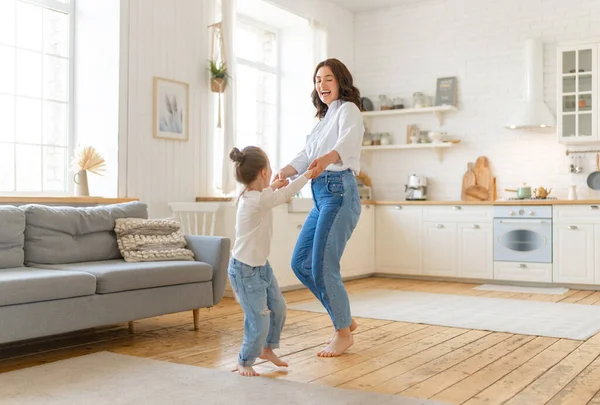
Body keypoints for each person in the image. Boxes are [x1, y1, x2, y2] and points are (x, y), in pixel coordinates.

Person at [275, 58, 363, 357]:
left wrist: (327, 159)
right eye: (317, 80)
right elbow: (306, 154)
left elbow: (348, 143)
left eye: (327, 79)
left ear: (340, 81)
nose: (321, 85)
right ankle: (345, 318)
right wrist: (284, 172)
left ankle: (341, 332)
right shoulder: (323, 120)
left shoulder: (349, 110)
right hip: (320, 194)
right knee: (301, 263)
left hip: (339, 192)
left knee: (324, 266)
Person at [228, 146, 313, 376]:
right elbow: (283, 195)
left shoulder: (256, 195)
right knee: (259, 319)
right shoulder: (255, 200)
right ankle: (244, 360)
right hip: (244, 271)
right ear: (264, 172)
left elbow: (271, 194)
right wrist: (306, 175)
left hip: (261, 267)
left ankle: (267, 348)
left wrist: (275, 185)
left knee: (279, 308)